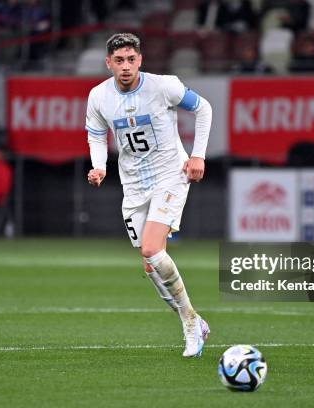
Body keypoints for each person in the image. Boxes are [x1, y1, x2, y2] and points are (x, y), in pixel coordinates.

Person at [85, 33, 213, 357]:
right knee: (150, 264)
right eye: (119, 61)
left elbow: (204, 109)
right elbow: (97, 135)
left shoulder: (163, 86)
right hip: (133, 185)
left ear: (140, 60)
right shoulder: (99, 96)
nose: (125, 67)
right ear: (108, 63)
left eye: (131, 60)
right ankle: (194, 320)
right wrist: (99, 166)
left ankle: (189, 324)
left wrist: (197, 155)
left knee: (152, 249)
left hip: (170, 174)